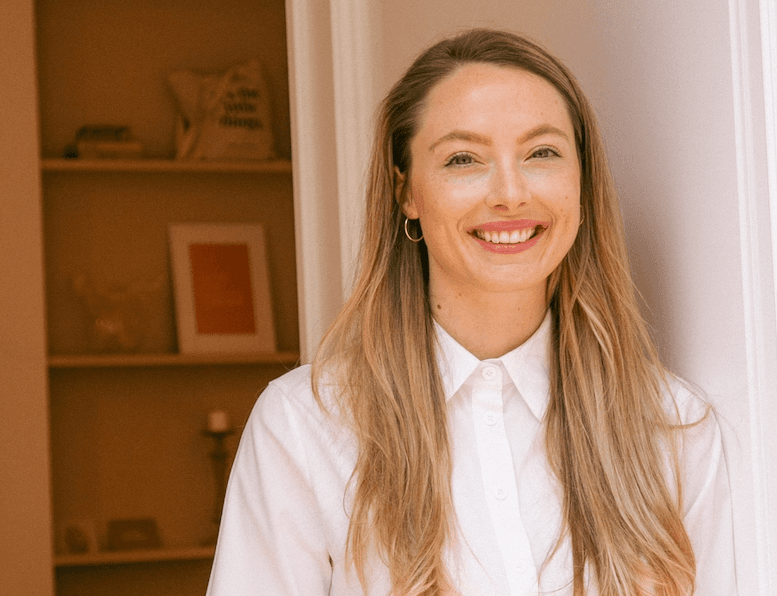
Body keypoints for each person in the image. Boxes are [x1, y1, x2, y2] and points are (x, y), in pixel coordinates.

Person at [207, 29, 736, 596]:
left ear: (581, 182)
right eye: (463, 159)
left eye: (542, 153)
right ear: (406, 192)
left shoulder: (673, 427)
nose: (510, 193)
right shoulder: (305, 426)